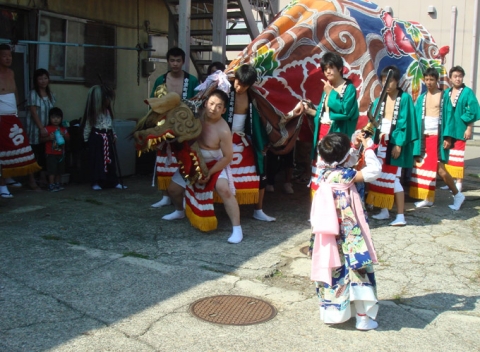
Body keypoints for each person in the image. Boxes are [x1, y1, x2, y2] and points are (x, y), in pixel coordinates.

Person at [310, 132, 381, 330]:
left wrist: (353, 144)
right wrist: (368, 147)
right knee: (357, 270)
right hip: (349, 234)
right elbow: (374, 171)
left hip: (330, 236)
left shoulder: (323, 171)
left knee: (335, 272)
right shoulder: (346, 175)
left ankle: (334, 312)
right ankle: (363, 318)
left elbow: (342, 157)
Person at [162, 89, 243, 244]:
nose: (213, 108)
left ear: (224, 110)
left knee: (224, 190)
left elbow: (228, 157)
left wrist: (209, 172)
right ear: (206, 103)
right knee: (173, 189)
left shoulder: (224, 130)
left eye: (219, 106)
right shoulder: (194, 116)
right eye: (211, 104)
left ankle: (237, 228)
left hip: (215, 163)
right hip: (192, 159)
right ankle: (179, 211)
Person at [367, 65, 418, 226]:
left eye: (390, 81)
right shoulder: (379, 99)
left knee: (394, 180)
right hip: (381, 143)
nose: (387, 85)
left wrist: (399, 144)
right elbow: (374, 122)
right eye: (384, 81)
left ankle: (401, 215)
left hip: (395, 142)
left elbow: (406, 123)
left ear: (397, 82)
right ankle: (384, 210)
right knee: (380, 177)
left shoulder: (405, 99)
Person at [225, 64, 276, 221]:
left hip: (245, 140)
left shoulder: (255, 97)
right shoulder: (225, 91)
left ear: (250, 85)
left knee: (259, 171)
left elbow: (261, 121)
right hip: (223, 139)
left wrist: (262, 143)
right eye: (238, 82)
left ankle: (258, 209)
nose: (239, 87)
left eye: (244, 85)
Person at [302, 52, 359, 193]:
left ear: (340, 68)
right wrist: (311, 112)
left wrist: (330, 93)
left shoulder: (349, 88)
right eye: (325, 68)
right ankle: (317, 211)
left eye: (331, 67)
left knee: (334, 174)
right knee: (318, 174)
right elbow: (325, 115)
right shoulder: (328, 87)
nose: (327, 71)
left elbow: (345, 112)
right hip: (322, 133)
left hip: (336, 137)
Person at [409, 67, 465, 209]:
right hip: (424, 137)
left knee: (439, 169)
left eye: (431, 79)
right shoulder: (421, 98)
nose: (429, 82)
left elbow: (450, 117)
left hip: (437, 137)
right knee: (423, 168)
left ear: (437, 80)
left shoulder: (443, 96)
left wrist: (448, 138)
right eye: (426, 79)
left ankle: (458, 195)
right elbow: (415, 119)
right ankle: (428, 198)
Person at [150, 47, 200, 208]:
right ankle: (165, 195)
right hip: (164, 125)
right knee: (164, 159)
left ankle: (184, 193)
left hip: (185, 126)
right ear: (168, 61)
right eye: (172, 60)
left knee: (184, 159)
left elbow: (198, 103)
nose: (175, 64)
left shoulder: (192, 80)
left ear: (183, 62)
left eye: (178, 60)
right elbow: (153, 103)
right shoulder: (160, 81)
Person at [0, 44, 41, 198]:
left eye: (9, 55)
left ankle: (10, 177)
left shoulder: (11, 73)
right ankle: (2, 184)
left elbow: (15, 91)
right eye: (4, 55)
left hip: (12, 115)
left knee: (21, 147)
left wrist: (16, 111)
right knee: (2, 150)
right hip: (1, 117)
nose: (8, 58)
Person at [440, 66, 480, 197]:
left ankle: (459, 182)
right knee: (448, 156)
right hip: (448, 130)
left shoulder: (467, 92)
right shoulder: (446, 93)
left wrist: (469, 128)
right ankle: (450, 180)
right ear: (450, 78)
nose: (458, 78)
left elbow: (473, 110)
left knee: (458, 156)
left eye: (460, 76)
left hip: (460, 129)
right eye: (455, 76)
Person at [82, 84, 126, 191]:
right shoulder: (93, 113)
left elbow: (110, 125)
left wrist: (114, 135)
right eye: (106, 99)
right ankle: (96, 182)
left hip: (107, 137)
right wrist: (86, 140)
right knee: (97, 162)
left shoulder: (107, 112)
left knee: (110, 161)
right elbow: (88, 126)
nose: (108, 102)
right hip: (97, 139)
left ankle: (113, 182)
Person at [25, 68, 56, 189]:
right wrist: (41, 128)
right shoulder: (33, 93)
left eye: (45, 78)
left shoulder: (50, 95)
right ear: (36, 80)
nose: (43, 81)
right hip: (35, 130)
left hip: (47, 130)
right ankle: (31, 180)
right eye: (40, 78)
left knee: (45, 154)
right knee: (33, 155)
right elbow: (33, 112)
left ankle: (43, 179)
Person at [42, 107, 69, 192]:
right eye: (53, 117)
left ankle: (57, 184)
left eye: (58, 118)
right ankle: (51, 184)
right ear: (49, 118)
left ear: (61, 118)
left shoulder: (63, 129)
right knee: (52, 171)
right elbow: (40, 140)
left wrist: (64, 135)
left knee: (59, 171)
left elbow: (68, 139)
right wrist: (48, 138)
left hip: (61, 154)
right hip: (50, 154)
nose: (56, 120)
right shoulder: (47, 129)